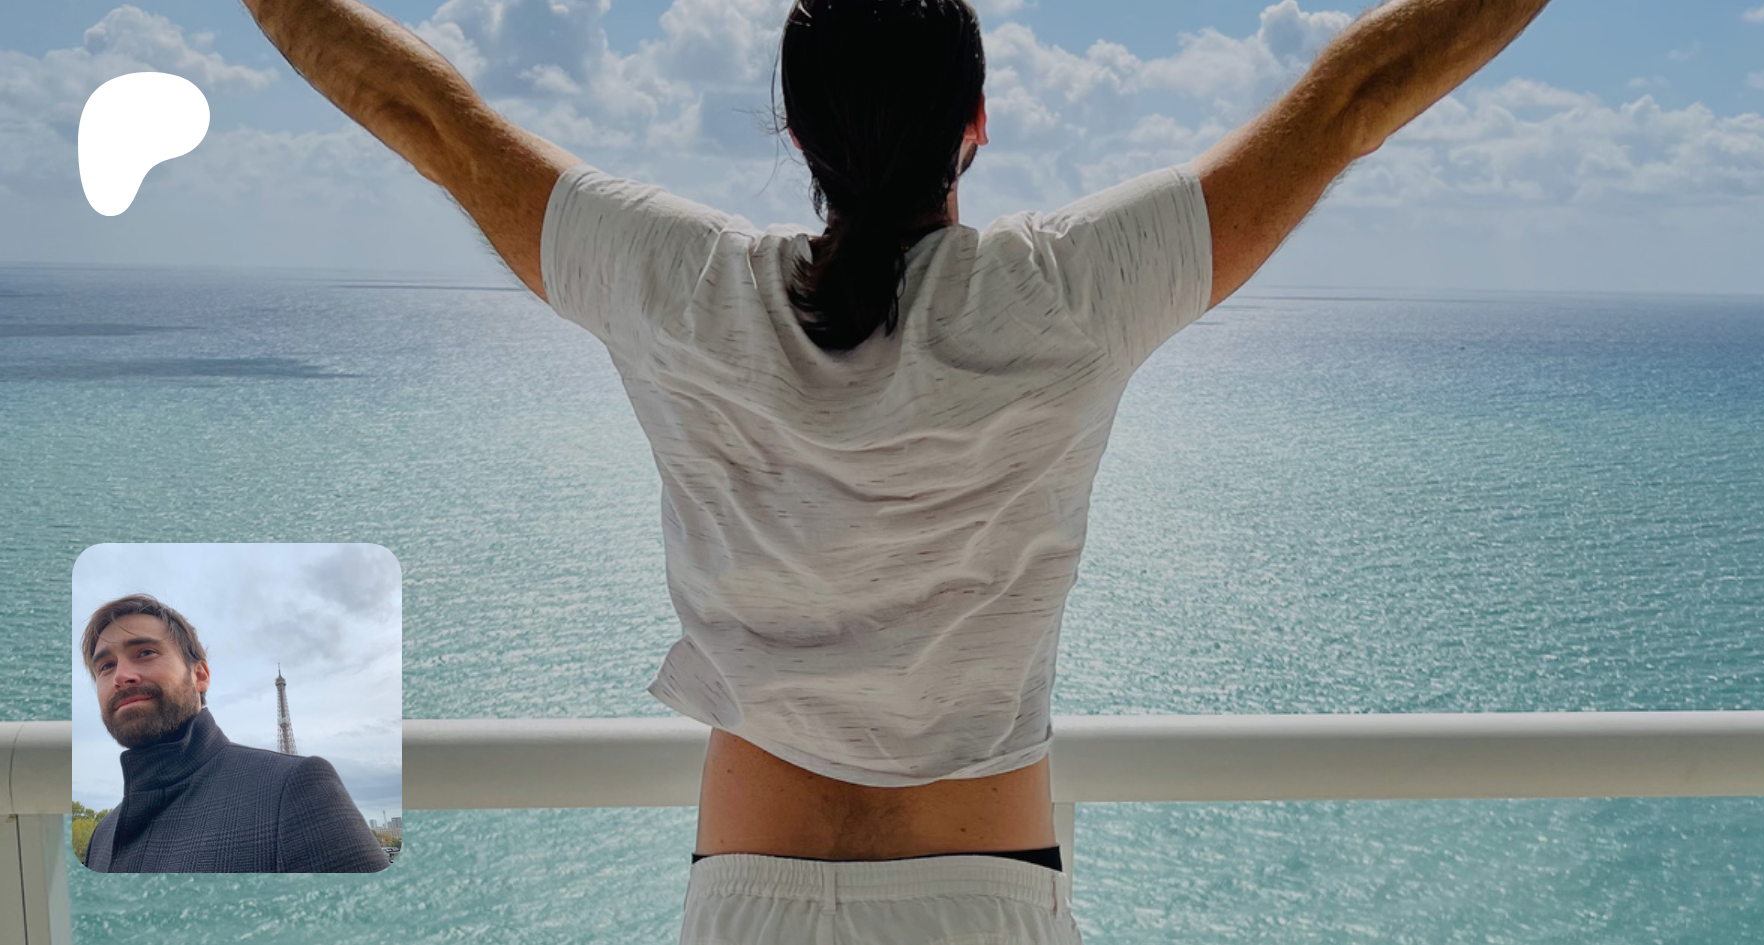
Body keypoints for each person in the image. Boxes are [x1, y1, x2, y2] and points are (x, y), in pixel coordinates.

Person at [241, 0, 1556, 936]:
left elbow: (429, 114)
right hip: (992, 895)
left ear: (795, 133)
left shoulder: (687, 286)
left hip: (747, 897)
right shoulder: (1068, 292)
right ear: (975, 123)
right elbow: (1350, 99)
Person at [78, 593, 389, 873]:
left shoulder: (295, 788)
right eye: (105, 666)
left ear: (200, 675)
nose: (121, 676)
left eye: (145, 652)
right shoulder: (102, 836)